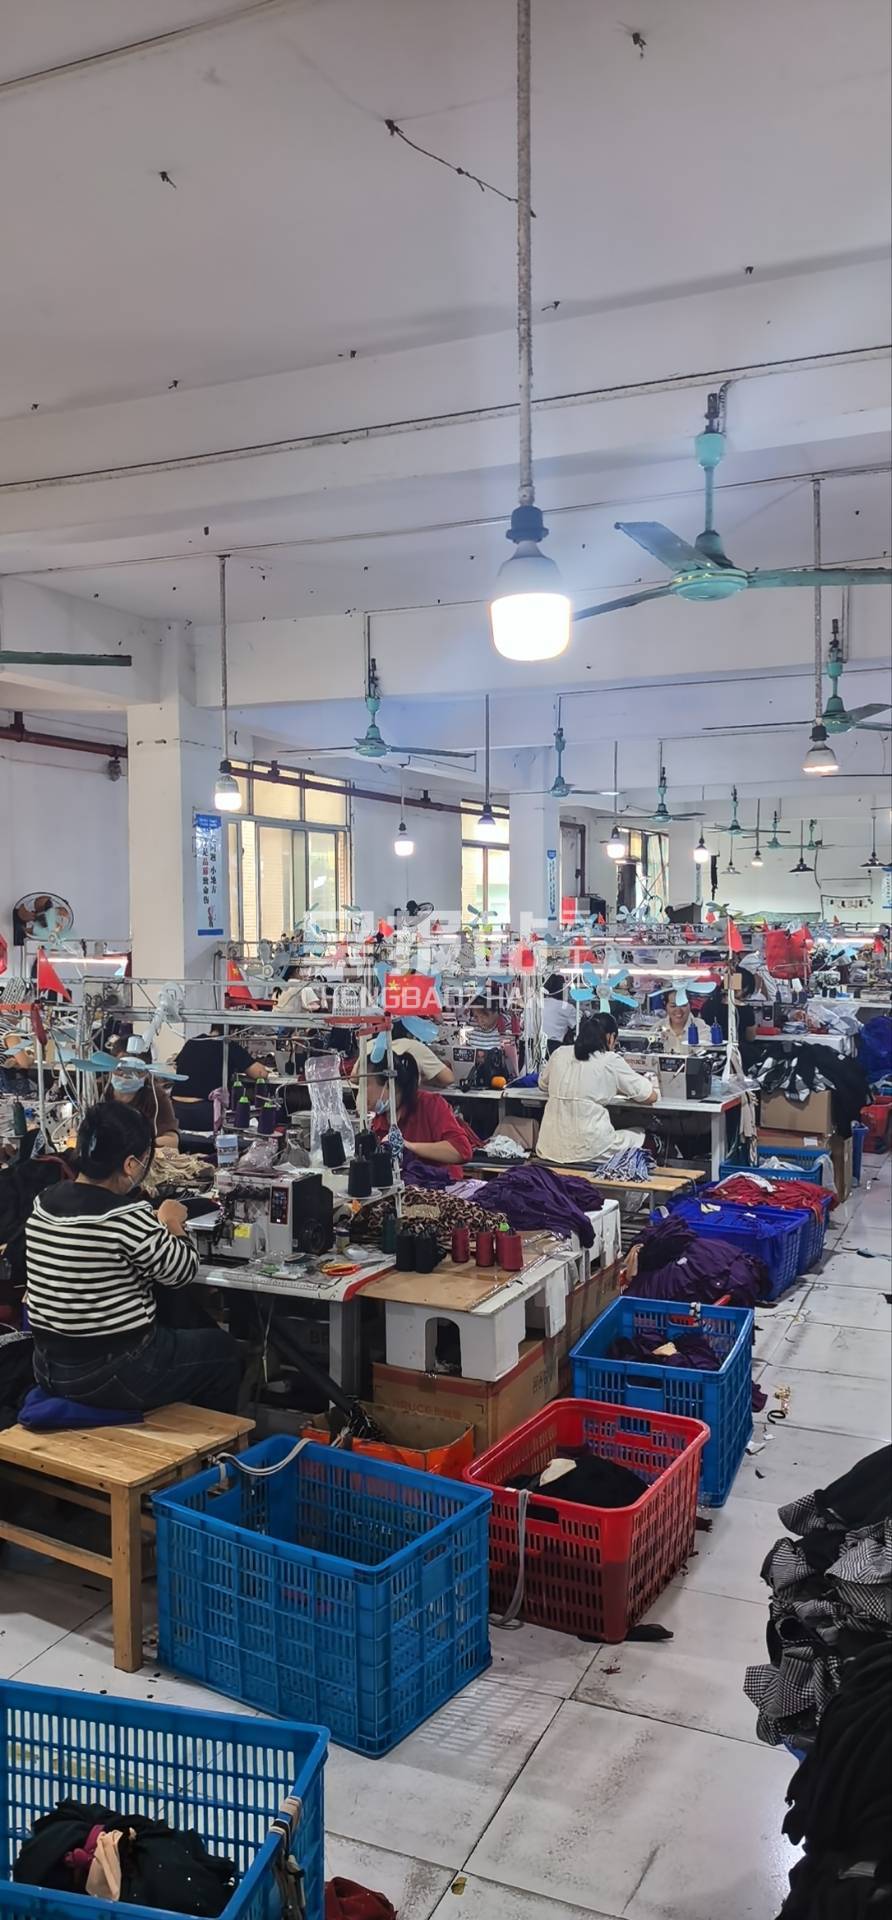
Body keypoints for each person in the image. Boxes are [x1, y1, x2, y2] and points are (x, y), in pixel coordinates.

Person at [25, 1102, 242, 1413]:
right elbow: (182, 1270)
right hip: (109, 1374)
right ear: (130, 1165)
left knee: (175, 1321)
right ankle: (214, 1438)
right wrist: (171, 1221)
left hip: (47, 1367)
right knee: (223, 1350)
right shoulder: (124, 1216)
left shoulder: (45, 1202)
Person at [535, 1013, 659, 1164]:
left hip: (549, 1148)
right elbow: (650, 1096)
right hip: (591, 1149)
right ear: (610, 1037)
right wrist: (620, 1087)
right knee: (646, 1138)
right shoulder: (610, 1060)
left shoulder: (559, 1053)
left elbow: (543, 1085)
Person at [368, 1052, 478, 1165]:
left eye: (366, 1084)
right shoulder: (377, 1119)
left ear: (389, 1085)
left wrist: (408, 1146)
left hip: (438, 1175)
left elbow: (462, 1150)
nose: (362, 1091)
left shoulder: (430, 1104)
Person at [173, 1024, 273, 1130]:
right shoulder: (228, 1045)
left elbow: (177, 1065)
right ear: (234, 1032)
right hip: (204, 1113)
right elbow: (260, 1073)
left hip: (175, 1110)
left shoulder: (192, 1042)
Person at [104, 1037, 178, 1146]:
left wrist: (138, 1146)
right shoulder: (98, 1090)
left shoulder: (155, 1097)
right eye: (121, 1069)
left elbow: (172, 1140)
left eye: (137, 1071)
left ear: (147, 1073)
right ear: (110, 1066)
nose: (126, 1075)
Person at [351, 1021, 453, 1089]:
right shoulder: (414, 1047)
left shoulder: (370, 1045)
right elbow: (448, 1079)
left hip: (368, 1106)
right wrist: (420, 1081)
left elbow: (354, 1078)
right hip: (404, 1106)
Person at [542, 974, 576, 1054]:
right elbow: (576, 1025)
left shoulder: (534, 1003)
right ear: (563, 989)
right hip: (553, 1048)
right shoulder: (566, 1007)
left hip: (529, 1046)